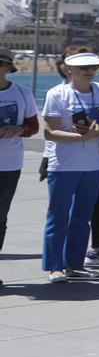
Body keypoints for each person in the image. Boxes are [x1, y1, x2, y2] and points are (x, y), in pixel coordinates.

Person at [40, 52, 99, 282]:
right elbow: (49, 132)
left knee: (82, 216)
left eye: (93, 67)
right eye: (84, 67)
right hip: (64, 165)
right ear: (69, 70)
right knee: (58, 216)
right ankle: (54, 266)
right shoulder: (57, 94)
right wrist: (83, 137)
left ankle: (74, 264)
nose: (89, 70)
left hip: (95, 164)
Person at [0, 50, 29, 259]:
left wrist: (20, 129)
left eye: (1, 63)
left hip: (9, 164)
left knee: (0, 216)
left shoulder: (22, 92)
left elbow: (34, 125)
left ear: (10, 67)